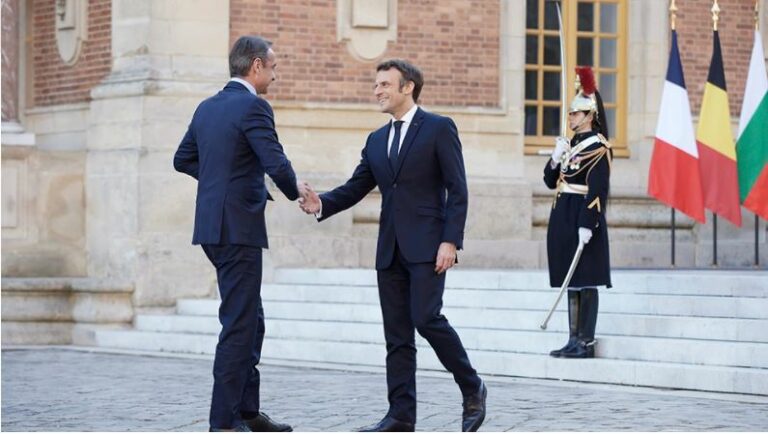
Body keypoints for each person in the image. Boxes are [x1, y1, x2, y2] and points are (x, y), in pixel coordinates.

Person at [299, 59, 486, 432]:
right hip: (390, 249)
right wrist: (322, 203)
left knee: (427, 318)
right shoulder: (376, 140)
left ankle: (472, 387)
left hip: (428, 246)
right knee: (397, 336)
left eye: (385, 84)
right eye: (376, 85)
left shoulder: (439, 128)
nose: (377, 91)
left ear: (408, 87)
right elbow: (356, 187)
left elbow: (458, 190)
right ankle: (400, 415)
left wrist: (450, 240)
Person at [174, 35, 308, 432]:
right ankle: (225, 421)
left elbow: (182, 159)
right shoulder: (254, 106)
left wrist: (220, 182)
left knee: (252, 318)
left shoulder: (207, 107)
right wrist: (296, 191)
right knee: (239, 324)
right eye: (273, 67)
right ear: (256, 66)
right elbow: (275, 161)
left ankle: (248, 411)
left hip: (213, 228)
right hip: (237, 229)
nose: (275, 75)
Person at [544, 66, 613, 359]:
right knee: (570, 278)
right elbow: (550, 181)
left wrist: (588, 223)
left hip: (582, 216)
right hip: (563, 215)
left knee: (585, 278)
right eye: (570, 114)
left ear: (589, 116)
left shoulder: (598, 147)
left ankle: (585, 342)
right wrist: (555, 158)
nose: (570, 118)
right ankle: (572, 339)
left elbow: (598, 190)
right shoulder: (570, 145)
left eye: (575, 114)